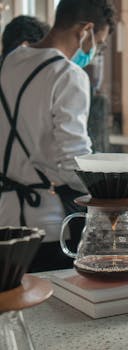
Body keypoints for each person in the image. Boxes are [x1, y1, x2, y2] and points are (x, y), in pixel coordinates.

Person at [0, 0, 116, 271]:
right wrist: (115, 188)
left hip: (4, 219)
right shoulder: (68, 75)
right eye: (98, 42)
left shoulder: (9, 62)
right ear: (86, 30)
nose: (94, 51)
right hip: (43, 227)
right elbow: (72, 163)